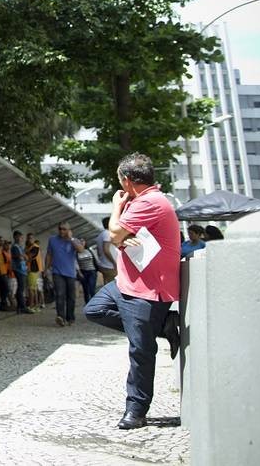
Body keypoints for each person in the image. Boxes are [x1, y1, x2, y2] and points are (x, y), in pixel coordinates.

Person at [84, 153, 181, 430]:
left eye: (119, 180)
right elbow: (123, 238)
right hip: (127, 282)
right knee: (95, 310)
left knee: (141, 350)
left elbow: (115, 234)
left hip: (147, 290)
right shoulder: (144, 201)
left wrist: (116, 207)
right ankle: (164, 325)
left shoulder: (150, 202)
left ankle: (136, 411)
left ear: (126, 181)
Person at [45, 221, 84, 327]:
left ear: (69, 230)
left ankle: (70, 317)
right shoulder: (52, 240)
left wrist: (71, 239)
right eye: (60, 229)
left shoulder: (74, 241)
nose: (62, 231)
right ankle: (60, 317)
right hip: (57, 272)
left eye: (64, 229)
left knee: (71, 297)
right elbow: (49, 254)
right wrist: (46, 268)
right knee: (60, 294)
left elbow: (81, 250)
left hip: (71, 273)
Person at [9, 231, 32, 314]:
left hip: (22, 269)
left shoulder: (20, 247)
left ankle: (20, 307)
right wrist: (23, 257)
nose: (21, 239)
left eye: (22, 237)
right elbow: (20, 257)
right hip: (18, 269)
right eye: (20, 237)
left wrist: (24, 257)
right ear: (15, 237)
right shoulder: (15, 247)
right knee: (21, 288)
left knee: (21, 288)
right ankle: (22, 306)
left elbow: (25, 257)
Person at [95, 217, 117, 285]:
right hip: (110, 266)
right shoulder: (107, 234)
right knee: (114, 286)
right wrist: (114, 263)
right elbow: (106, 249)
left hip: (104, 264)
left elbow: (98, 252)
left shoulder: (100, 235)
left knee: (107, 285)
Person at [76, 240, 100, 304]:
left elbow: (96, 259)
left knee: (92, 288)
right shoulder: (76, 253)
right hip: (83, 272)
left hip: (92, 272)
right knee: (86, 289)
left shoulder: (90, 250)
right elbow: (76, 264)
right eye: (80, 241)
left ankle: (94, 303)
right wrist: (79, 273)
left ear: (85, 242)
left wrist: (99, 268)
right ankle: (87, 304)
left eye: (83, 241)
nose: (81, 242)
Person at [25, 237, 44, 310]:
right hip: (37, 271)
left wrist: (25, 257)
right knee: (35, 289)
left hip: (33, 271)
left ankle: (32, 305)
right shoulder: (36, 249)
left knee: (31, 289)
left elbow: (29, 257)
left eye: (30, 238)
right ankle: (37, 305)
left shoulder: (35, 248)